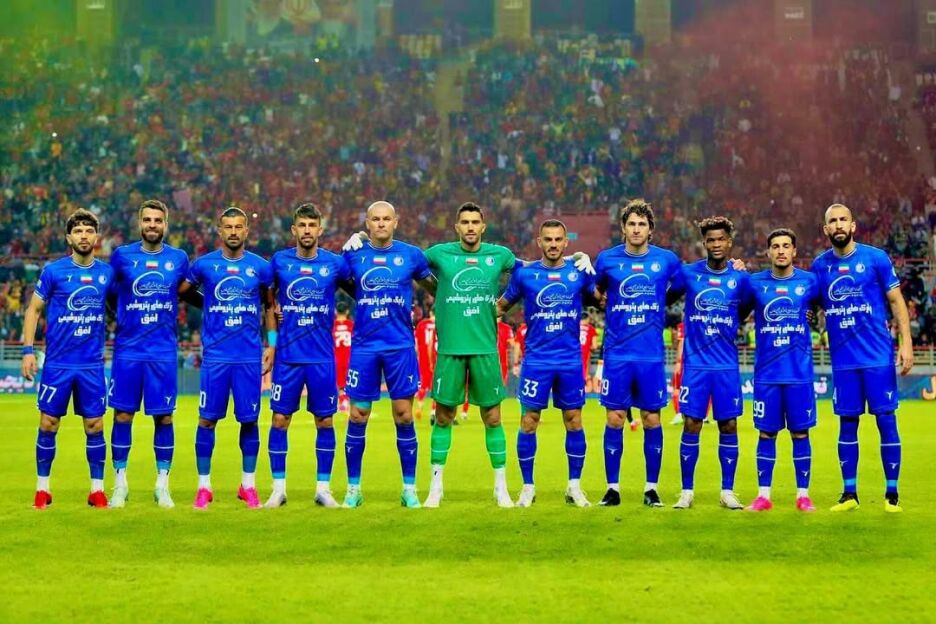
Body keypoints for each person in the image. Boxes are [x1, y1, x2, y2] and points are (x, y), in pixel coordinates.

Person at [811, 204, 913, 513]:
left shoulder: (875, 258)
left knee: (886, 420)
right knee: (847, 423)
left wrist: (906, 343)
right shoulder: (819, 266)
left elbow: (896, 300)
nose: (838, 225)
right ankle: (849, 494)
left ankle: (892, 495)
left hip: (877, 357)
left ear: (853, 225)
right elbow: (810, 304)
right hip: (844, 361)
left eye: (843, 219)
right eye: (832, 221)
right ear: (826, 229)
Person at [340, 201, 437, 509]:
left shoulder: (410, 255)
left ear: (396, 222)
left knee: (404, 414)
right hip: (365, 346)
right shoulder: (353, 255)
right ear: (367, 224)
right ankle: (353, 489)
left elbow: (436, 287)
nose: (381, 223)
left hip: (400, 345)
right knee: (358, 414)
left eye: (386, 219)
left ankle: (409, 489)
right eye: (375, 219)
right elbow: (338, 280)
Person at [422, 202, 519, 508]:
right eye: (464, 222)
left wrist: (505, 302)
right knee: (443, 417)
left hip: (485, 349)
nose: (470, 227)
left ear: (483, 226)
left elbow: (530, 272)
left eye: (475, 222)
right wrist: (364, 242)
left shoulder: (499, 255)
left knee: (493, 418)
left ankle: (501, 488)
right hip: (450, 349)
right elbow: (408, 263)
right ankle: (436, 487)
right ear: (457, 227)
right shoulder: (440, 253)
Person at [179, 207, 274, 510]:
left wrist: (272, 346)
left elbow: (270, 307)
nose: (233, 232)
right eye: (228, 227)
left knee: (249, 420)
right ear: (219, 231)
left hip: (248, 357)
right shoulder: (204, 265)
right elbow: (183, 291)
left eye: (238, 227)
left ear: (247, 231)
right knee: (207, 420)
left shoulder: (260, 267)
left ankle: (248, 485)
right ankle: (204, 487)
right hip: (216, 358)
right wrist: (206, 302)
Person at [497, 219, 594, 507]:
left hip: (569, 360)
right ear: (539, 242)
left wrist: (594, 267)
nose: (553, 244)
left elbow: (602, 299)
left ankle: (574, 486)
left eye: (558, 239)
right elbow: (501, 307)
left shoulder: (578, 273)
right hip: (537, 361)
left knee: (574, 420)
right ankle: (528, 487)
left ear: (566, 242)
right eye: (548, 239)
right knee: (529, 421)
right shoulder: (526, 275)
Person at [22, 208, 114, 509]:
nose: (83, 236)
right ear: (68, 238)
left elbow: (122, 305)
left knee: (95, 425)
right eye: (78, 231)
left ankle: (97, 490)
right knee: (48, 423)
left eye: (89, 231)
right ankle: (42, 489)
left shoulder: (106, 274)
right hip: (58, 364)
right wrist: (27, 351)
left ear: (96, 237)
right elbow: (33, 310)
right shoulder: (54, 271)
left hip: (91, 364)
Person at [592, 199, 682, 508]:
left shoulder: (666, 260)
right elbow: (596, 291)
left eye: (642, 224)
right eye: (631, 223)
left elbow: (683, 285)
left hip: (650, 356)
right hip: (617, 354)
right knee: (615, 418)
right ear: (623, 228)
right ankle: (612, 488)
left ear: (650, 229)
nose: (636, 229)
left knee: (651, 419)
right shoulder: (607, 259)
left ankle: (651, 489)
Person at [107, 199, 194, 509]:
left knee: (164, 416)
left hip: (162, 352)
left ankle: (162, 485)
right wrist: (121, 319)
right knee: (122, 415)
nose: (152, 225)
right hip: (128, 351)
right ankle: (120, 484)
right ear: (140, 223)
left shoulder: (178, 259)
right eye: (148, 220)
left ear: (165, 224)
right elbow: (109, 293)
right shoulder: (121, 256)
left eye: (158, 220)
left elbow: (188, 294)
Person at [264, 203, 351, 508]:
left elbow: (361, 287)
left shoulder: (334, 264)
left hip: (321, 357)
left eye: (312, 225)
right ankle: (278, 489)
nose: (307, 230)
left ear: (320, 230)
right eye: (302, 225)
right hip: (288, 357)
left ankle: (323, 489)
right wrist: (271, 344)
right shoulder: (279, 262)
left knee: (325, 421)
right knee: (279, 419)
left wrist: (362, 243)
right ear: (294, 229)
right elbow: (268, 304)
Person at [673, 216, 753, 510]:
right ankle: (686, 491)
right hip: (695, 365)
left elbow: (746, 308)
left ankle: (727, 491)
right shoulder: (689, 274)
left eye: (721, 239)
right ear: (704, 243)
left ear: (729, 242)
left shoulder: (741, 278)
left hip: (726, 365)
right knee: (691, 423)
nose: (716, 244)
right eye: (711, 240)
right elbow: (664, 297)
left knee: (729, 424)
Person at [747, 228, 820, 512]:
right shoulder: (755, 283)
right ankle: (763, 496)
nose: (780, 250)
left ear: (794, 251)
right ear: (768, 252)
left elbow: (823, 305)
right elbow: (736, 307)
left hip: (799, 374)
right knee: (766, 434)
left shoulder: (809, 281)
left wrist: (814, 314)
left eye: (786, 246)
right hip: (767, 375)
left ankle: (803, 495)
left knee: (800, 434)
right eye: (775, 246)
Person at [414, 306, 437, 421]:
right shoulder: (440, 325)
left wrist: (418, 356)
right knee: (436, 385)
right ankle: (433, 411)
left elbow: (416, 343)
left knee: (423, 384)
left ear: (431, 312)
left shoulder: (421, 324)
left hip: (423, 359)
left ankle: (419, 407)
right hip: (436, 359)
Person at [333, 301, 354, 414]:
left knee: (340, 384)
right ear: (347, 311)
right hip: (350, 358)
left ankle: (342, 403)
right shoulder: (352, 325)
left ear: (336, 311)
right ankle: (346, 403)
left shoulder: (332, 326)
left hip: (336, 359)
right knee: (351, 383)